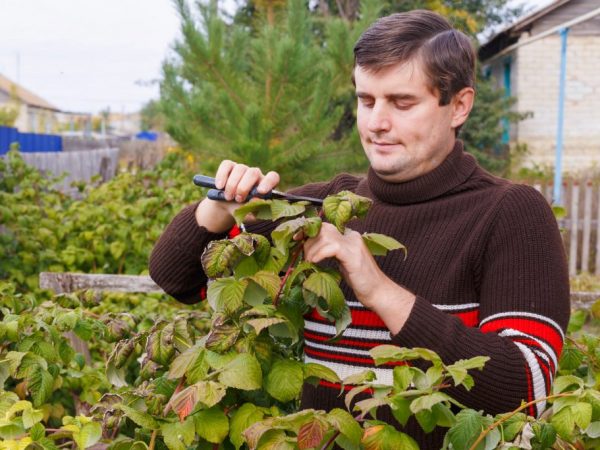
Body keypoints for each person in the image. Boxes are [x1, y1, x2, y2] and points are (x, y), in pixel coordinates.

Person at [150, 9, 569, 448]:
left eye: (402, 103)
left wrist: (377, 288)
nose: (376, 123)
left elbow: (526, 388)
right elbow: (178, 279)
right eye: (366, 100)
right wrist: (218, 208)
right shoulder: (325, 206)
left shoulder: (509, 212)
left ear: (459, 105)